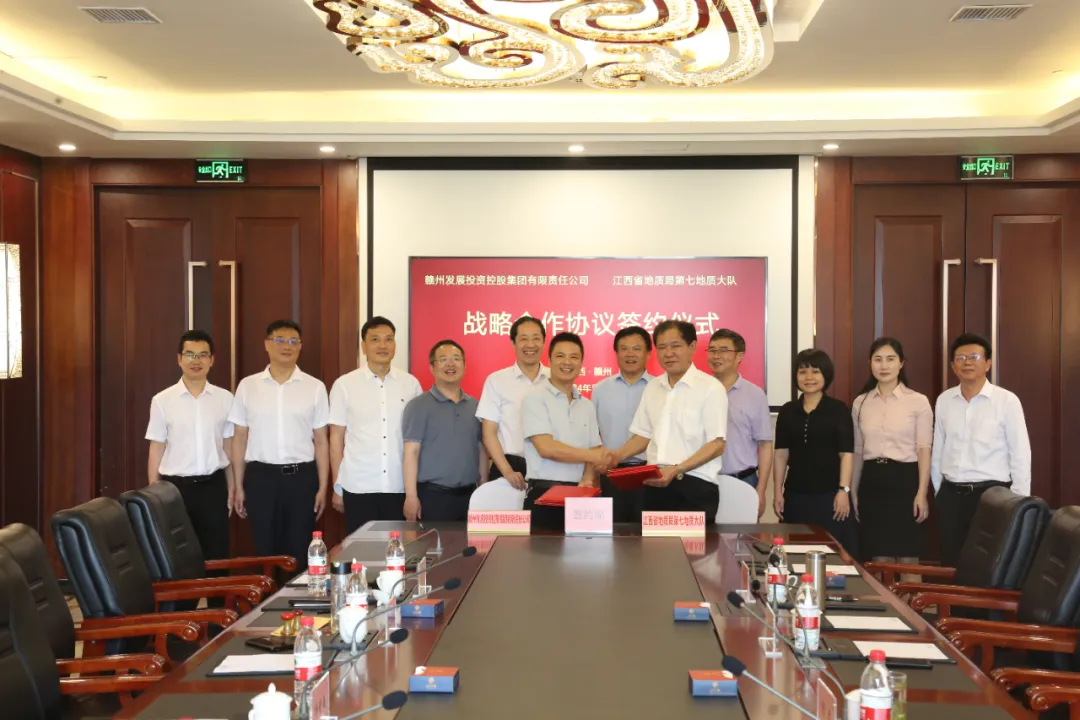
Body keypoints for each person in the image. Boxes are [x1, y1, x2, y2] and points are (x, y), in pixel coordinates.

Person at [229, 320, 329, 573]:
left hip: (302, 479)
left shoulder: (315, 387)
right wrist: (238, 485)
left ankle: (298, 598)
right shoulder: (248, 386)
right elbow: (239, 438)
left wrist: (323, 486)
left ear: (300, 346)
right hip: (260, 478)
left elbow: (321, 441)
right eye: (280, 340)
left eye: (293, 341)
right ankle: (267, 598)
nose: (287, 346)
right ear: (267, 344)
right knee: (264, 549)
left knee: (299, 549)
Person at [931, 333, 1031, 567]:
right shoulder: (944, 400)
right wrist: (939, 491)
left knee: (987, 567)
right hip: (951, 496)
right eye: (960, 358)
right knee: (951, 563)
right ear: (953, 366)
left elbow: (1020, 453)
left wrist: (1018, 502)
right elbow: (939, 448)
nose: (967, 362)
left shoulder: (1007, 401)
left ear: (987, 364)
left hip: (992, 497)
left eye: (974, 357)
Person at [612, 320, 727, 523]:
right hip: (654, 484)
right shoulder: (653, 387)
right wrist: (615, 456)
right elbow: (643, 435)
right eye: (662, 347)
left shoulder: (710, 387)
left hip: (694, 486)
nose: (668, 353)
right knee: (654, 544)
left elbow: (717, 444)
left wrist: (677, 469)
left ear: (692, 347)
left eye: (675, 346)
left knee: (691, 545)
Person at [145, 330, 235, 570]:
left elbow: (228, 446)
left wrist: (233, 486)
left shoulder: (225, 398)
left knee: (216, 555)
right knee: (179, 557)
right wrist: (154, 491)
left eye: (203, 355)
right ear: (179, 359)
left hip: (213, 487)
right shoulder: (162, 400)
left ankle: (218, 596)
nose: (196, 360)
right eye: (190, 354)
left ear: (212, 360)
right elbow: (156, 446)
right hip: (175, 490)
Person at [329, 316, 422, 534]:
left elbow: (417, 440)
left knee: (398, 550)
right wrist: (337, 486)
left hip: (399, 486)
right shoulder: (344, 385)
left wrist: (414, 491)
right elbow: (336, 438)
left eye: (389, 339)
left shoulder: (411, 384)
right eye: (375, 339)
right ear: (363, 346)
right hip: (358, 486)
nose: (383, 345)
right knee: (361, 551)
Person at [851, 337, 932, 565]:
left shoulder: (918, 402)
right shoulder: (861, 403)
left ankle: (909, 593)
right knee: (879, 558)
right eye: (878, 359)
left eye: (890, 359)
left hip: (905, 481)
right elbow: (858, 451)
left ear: (901, 363)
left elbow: (924, 450)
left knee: (908, 558)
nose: (884, 365)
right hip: (872, 482)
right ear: (870, 363)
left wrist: (922, 492)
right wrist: (853, 491)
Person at [521, 332, 608, 531]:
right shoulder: (534, 398)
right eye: (560, 356)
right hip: (544, 494)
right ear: (549, 360)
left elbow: (594, 448)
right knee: (542, 551)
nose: (567, 362)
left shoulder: (586, 405)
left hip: (581, 495)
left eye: (574, 357)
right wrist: (592, 455)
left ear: (581, 363)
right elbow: (546, 448)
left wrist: (588, 478)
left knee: (582, 552)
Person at [773, 349, 857, 555]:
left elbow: (846, 454)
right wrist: (777, 492)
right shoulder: (787, 410)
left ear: (826, 374)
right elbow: (781, 454)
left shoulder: (838, 410)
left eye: (815, 371)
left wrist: (843, 491)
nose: (809, 377)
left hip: (830, 497)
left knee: (833, 554)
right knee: (795, 553)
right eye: (802, 372)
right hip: (795, 496)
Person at [402, 340, 487, 522]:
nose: (450, 364)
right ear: (432, 368)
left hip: (470, 496)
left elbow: (481, 450)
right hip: (433, 497)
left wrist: (483, 490)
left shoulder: (476, 406)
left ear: (464, 365)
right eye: (443, 359)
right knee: (436, 542)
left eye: (456, 359)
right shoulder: (418, 406)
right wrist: (411, 496)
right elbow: (411, 453)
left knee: (472, 541)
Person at [476, 315, 549, 490]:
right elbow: (489, 433)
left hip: (549, 467)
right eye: (523, 339)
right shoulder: (497, 380)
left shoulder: (555, 379)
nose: (530, 345)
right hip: (509, 467)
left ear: (544, 342)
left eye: (536, 338)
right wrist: (507, 471)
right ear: (513, 343)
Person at [708, 328, 773, 519]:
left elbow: (765, 444)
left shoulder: (755, 395)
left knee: (743, 536)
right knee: (703, 536)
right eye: (712, 350)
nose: (716, 356)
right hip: (704, 481)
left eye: (723, 350)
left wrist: (761, 489)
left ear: (739, 356)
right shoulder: (698, 391)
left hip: (744, 480)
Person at [593, 326, 653, 523]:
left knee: (648, 534)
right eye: (624, 348)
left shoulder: (659, 388)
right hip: (611, 472)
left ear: (648, 353)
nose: (630, 354)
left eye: (636, 348)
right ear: (616, 353)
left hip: (649, 471)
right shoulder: (601, 389)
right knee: (612, 530)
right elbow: (591, 434)